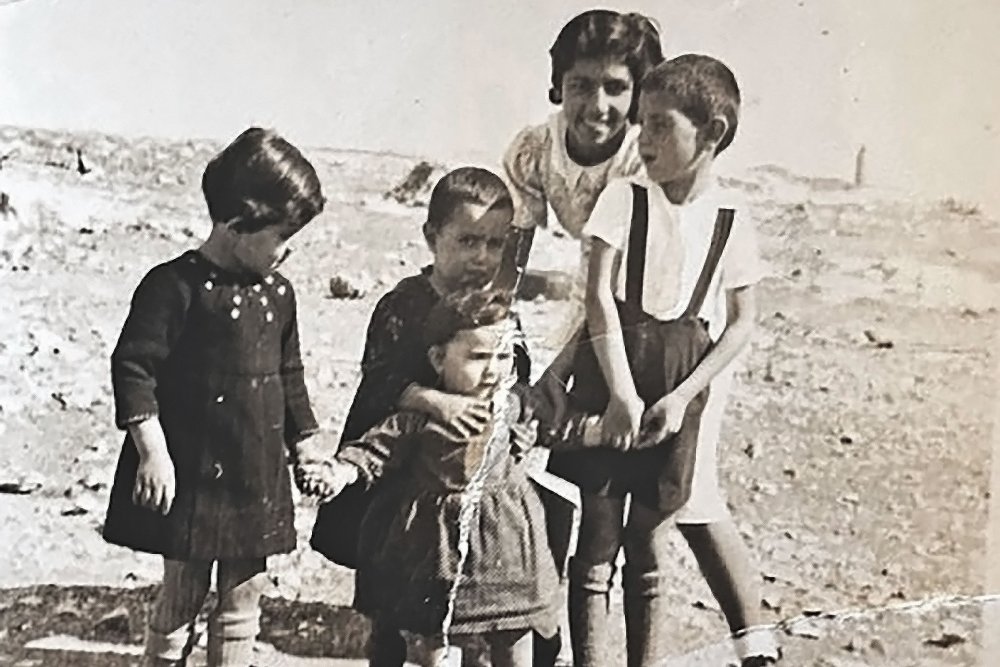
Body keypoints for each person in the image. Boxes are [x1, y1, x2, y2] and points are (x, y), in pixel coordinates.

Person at [549, 55, 781, 666]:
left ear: (713, 134)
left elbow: (741, 324)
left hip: (678, 391)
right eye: (641, 125)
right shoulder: (623, 199)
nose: (641, 140)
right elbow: (598, 295)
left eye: (659, 127)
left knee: (648, 541)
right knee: (596, 534)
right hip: (612, 375)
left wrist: (681, 398)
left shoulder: (732, 220)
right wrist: (621, 394)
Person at [102, 128, 330, 666]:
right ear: (235, 225)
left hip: (255, 471)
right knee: (183, 589)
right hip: (192, 473)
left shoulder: (279, 293)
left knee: (244, 593)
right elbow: (133, 368)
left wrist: (308, 445)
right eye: (281, 234)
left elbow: (288, 373)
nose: (288, 249)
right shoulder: (172, 286)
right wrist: (151, 452)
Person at [309, 167, 553, 666]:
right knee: (399, 605)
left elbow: (517, 379)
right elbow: (379, 380)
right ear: (431, 237)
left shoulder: (497, 308)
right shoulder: (403, 304)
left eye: (493, 243)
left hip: (470, 480)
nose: (480, 257)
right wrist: (433, 400)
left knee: (484, 601)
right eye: (466, 241)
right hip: (402, 482)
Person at [501, 9, 665, 415]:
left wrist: (556, 372)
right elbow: (508, 266)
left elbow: (610, 289)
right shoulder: (535, 149)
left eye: (615, 87)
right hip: (599, 290)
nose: (597, 105)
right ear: (559, 85)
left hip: (654, 301)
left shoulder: (642, 162)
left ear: (638, 96)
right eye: (581, 85)